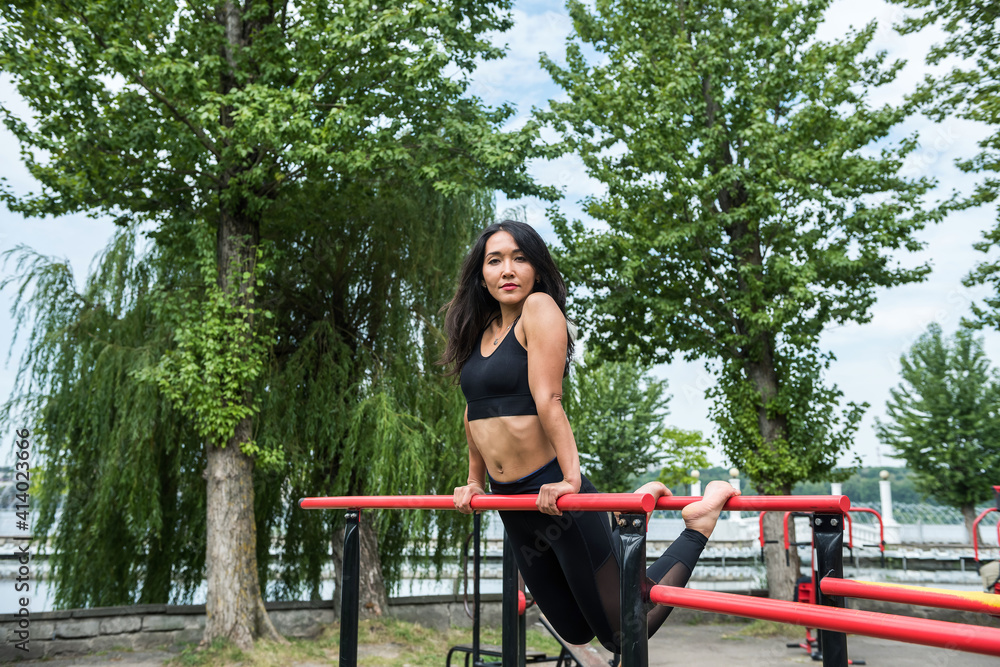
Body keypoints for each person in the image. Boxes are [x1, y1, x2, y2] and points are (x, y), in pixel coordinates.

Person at [442, 220, 739, 653]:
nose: (507, 269)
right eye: (495, 260)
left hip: (556, 497)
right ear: (481, 275)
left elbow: (550, 399)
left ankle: (698, 526)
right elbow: (475, 411)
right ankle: (624, 529)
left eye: (519, 258)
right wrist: (473, 480)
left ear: (537, 271)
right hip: (510, 501)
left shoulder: (539, 309)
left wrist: (571, 480)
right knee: (575, 629)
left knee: (623, 631)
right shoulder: (480, 329)